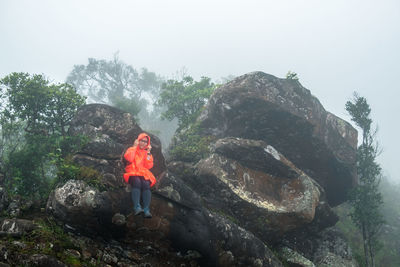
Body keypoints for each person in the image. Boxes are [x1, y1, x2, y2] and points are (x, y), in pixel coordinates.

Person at [123, 133, 156, 218]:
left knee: (146, 184)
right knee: (137, 182)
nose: (143, 143)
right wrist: (134, 146)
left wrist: (148, 153)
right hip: (132, 170)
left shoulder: (146, 153)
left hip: (142, 172)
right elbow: (129, 158)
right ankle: (137, 207)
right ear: (138, 140)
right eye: (142, 140)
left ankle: (146, 209)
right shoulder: (131, 149)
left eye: (145, 142)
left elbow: (149, 166)